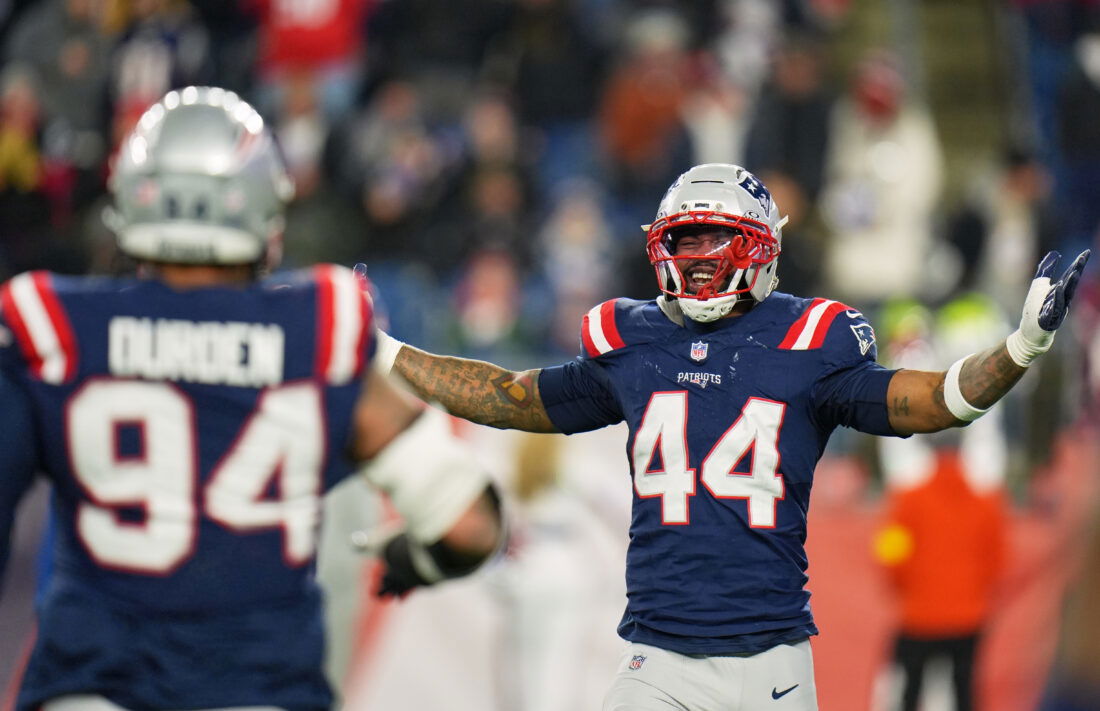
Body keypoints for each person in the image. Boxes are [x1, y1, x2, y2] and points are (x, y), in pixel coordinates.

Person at [371, 163, 1090, 711]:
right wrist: (383, 350)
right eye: (684, 240)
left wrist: (1022, 346)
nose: (700, 256)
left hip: (770, 663)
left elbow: (939, 401)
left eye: (716, 238)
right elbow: (506, 397)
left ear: (758, 245)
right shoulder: (634, 341)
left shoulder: (812, 341)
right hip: (658, 657)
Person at [0, 86, 504, 711]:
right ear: (263, 209)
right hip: (257, 692)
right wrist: (413, 562)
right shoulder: (318, 327)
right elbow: (468, 525)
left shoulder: (51, 325)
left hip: (95, 691)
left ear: (131, 197)